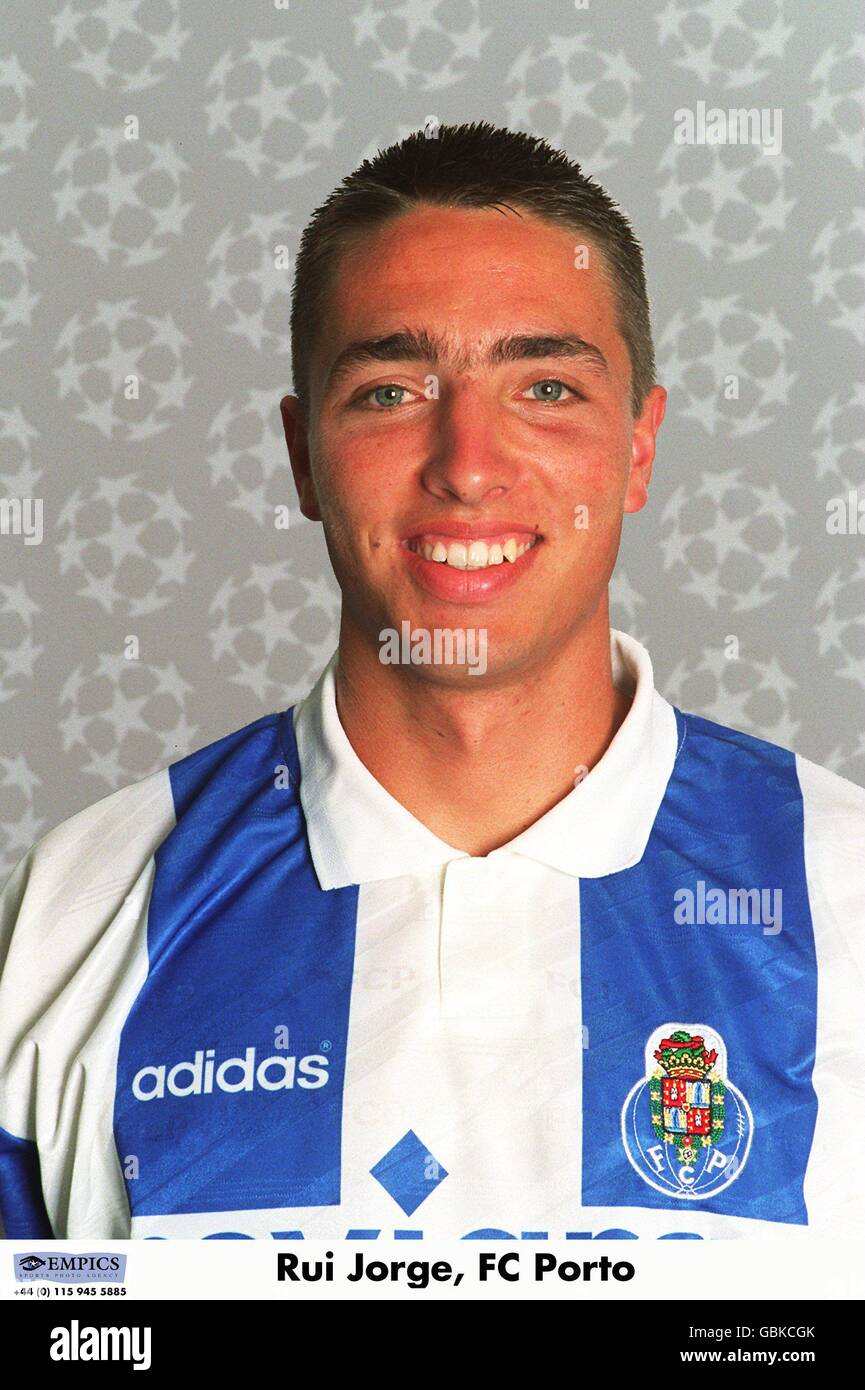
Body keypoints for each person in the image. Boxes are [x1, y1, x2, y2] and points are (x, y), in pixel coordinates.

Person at [1, 122, 862, 1241]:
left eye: (545, 387)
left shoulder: (839, 886)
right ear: (301, 456)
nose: (466, 463)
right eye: (390, 391)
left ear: (638, 449)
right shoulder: (77, 912)